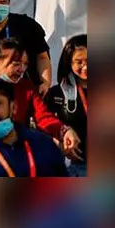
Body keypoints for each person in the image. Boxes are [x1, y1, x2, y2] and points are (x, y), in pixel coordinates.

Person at [45, 34, 87, 176]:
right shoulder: (56, 94)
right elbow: (44, 127)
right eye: (79, 62)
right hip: (71, 166)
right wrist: (60, 145)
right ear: (69, 62)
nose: (85, 67)